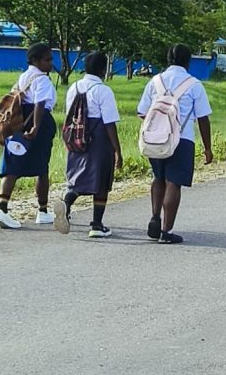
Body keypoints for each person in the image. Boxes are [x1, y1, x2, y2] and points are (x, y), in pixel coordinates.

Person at [138, 46, 213, 242]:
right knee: (174, 183)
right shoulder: (194, 85)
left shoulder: (154, 82)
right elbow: (203, 118)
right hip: (182, 138)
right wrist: (207, 147)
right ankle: (167, 231)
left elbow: (143, 112)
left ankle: (155, 216)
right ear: (188, 61)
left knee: (158, 178)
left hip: (156, 139)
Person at [0, 44, 58, 229]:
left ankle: (2, 208)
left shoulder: (24, 77)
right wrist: (36, 126)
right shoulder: (42, 79)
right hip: (37, 122)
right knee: (41, 167)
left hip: (18, 122)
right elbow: (40, 104)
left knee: (13, 165)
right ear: (36, 61)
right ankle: (43, 211)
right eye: (47, 59)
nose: (51, 63)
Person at [57, 49, 122, 234]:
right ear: (103, 69)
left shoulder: (74, 87)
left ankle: (66, 204)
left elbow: (69, 115)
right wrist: (117, 150)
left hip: (76, 138)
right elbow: (109, 123)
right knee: (101, 181)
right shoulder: (103, 90)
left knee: (78, 178)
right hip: (98, 138)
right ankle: (96, 225)